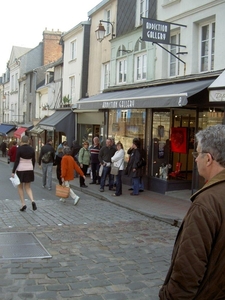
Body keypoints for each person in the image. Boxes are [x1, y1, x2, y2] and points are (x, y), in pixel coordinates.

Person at [159, 124, 225, 299]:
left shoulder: (206, 203)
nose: (195, 159)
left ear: (209, 159)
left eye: (197, 154)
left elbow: (188, 269)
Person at [11, 135, 37, 212]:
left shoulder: (19, 149)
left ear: (22, 141)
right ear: (28, 141)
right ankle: (32, 200)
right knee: (28, 187)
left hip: (20, 169)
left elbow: (17, 161)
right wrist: (32, 168)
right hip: (29, 169)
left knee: (20, 187)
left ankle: (23, 204)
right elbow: (33, 160)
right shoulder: (32, 149)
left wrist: (13, 171)